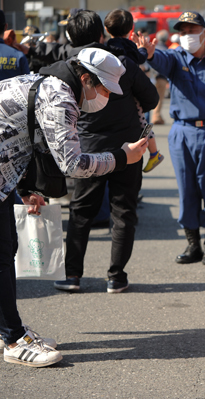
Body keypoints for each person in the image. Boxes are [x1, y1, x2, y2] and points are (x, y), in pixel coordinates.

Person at [0, 47, 148, 367]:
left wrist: (24, 190)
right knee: (1, 254)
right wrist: (123, 158)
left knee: (6, 248)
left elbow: (22, 137)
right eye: (105, 89)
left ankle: (10, 330)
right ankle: (12, 338)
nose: (107, 97)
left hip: (4, 178)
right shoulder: (61, 99)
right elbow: (74, 165)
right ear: (85, 79)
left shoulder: (44, 82)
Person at [26, 10, 159, 293]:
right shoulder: (124, 64)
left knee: (81, 212)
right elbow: (152, 98)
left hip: (87, 149)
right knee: (123, 213)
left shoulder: (70, 67)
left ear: (71, 36)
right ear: (102, 35)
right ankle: (117, 277)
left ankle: (73, 275)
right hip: (128, 148)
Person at [137, 11, 205, 265]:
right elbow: (158, 60)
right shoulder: (175, 59)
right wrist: (150, 53)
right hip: (182, 133)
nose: (187, 36)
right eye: (182, 32)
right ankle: (193, 244)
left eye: (192, 31)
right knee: (187, 190)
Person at [103, 9, 164, 173]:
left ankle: (155, 153)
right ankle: (154, 152)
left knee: (142, 122)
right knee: (141, 120)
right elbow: (141, 57)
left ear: (106, 29)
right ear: (131, 28)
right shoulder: (130, 48)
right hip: (132, 91)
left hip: (110, 94)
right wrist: (143, 49)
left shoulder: (105, 48)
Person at [151, 29, 170, 125]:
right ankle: (156, 116)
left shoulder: (153, 47)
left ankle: (157, 116)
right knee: (159, 98)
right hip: (161, 77)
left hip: (151, 76)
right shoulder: (167, 49)